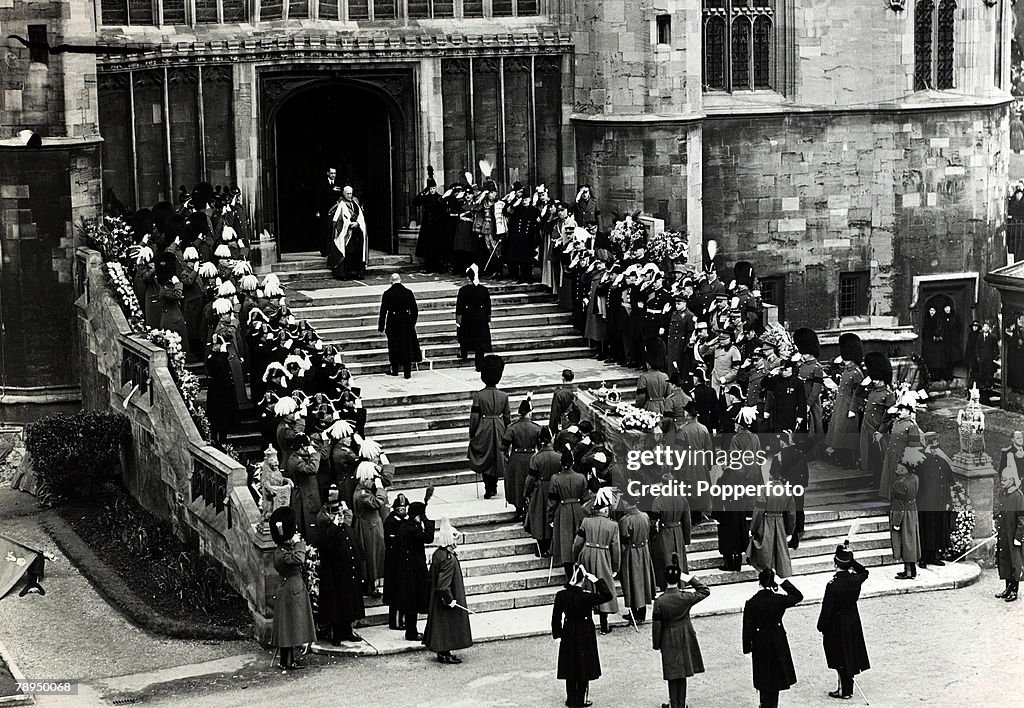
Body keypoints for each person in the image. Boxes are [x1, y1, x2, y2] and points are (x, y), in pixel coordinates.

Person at [551, 564, 614, 708]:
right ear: (583, 580)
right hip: (585, 632)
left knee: (570, 664)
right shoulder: (586, 596)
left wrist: (558, 634)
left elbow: (556, 616)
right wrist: (595, 580)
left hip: (568, 631)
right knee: (584, 665)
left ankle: (571, 698)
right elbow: (607, 595)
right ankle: (580, 699)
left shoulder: (561, 595)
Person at [652, 555, 710, 708]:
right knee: (683, 671)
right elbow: (704, 590)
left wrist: (657, 644)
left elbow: (657, 625)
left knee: (672, 673)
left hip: (668, 636)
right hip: (685, 634)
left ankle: (674, 703)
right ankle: (681, 704)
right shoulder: (685, 597)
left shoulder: (660, 601)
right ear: (678, 580)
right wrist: (690, 578)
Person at [743, 569, 802, 708]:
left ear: (759, 582)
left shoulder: (752, 602)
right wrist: (782, 582)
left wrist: (747, 647)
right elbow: (798, 596)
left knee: (762, 673)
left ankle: (763, 703)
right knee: (775, 675)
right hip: (777, 639)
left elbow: (747, 628)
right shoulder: (779, 600)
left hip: (760, 640)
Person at [817, 544, 870, 700]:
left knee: (840, 655)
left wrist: (821, 626)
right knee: (849, 652)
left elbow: (827, 609)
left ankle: (844, 690)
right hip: (852, 620)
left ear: (835, 563)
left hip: (837, 623)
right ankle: (846, 689)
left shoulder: (833, 585)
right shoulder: (855, 579)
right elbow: (865, 571)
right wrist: (850, 559)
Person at [314, 489, 364, 645]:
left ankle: (347, 631)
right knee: (337, 606)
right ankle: (336, 634)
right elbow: (324, 546)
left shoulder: (346, 528)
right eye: (336, 513)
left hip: (349, 573)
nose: (340, 516)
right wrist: (335, 525)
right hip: (335, 575)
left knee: (349, 604)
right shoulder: (327, 530)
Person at [268, 507, 316, 671]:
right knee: (289, 626)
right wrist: (298, 542)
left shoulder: (283, 550)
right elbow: (299, 558)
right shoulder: (282, 553)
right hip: (291, 590)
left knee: (290, 626)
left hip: (293, 588)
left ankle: (288, 660)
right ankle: (287, 662)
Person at [424, 517, 473, 664]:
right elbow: (444, 584)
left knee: (442, 624)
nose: (456, 544)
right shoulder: (448, 558)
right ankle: (444, 652)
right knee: (446, 624)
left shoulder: (438, 554)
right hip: (446, 596)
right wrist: (449, 599)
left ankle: (443, 651)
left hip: (437, 596)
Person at [573, 489, 621, 635]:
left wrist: (576, 557)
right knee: (603, 587)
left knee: (586, 587)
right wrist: (615, 567)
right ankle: (604, 625)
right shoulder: (613, 525)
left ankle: (586, 623)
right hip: (604, 556)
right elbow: (616, 549)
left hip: (587, 553)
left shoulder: (586, 521)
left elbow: (577, 543)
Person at [468, 354, 512, 499]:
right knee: (497, 457)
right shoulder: (504, 396)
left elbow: (475, 417)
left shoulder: (478, 396)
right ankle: (493, 486)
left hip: (484, 427)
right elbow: (507, 417)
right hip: (499, 427)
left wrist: (472, 433)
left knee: (485, 457)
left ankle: (489, 487)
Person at [746, 456, 797, 577]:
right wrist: (790, 530)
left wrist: (752, 529)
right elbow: (791, 514)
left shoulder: (765, 490)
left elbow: (758, 511)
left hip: (766, 521)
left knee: (765, 552)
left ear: (770, 476)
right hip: (780, 522)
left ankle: (767, 575)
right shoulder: (787, 491)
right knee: (780, 551)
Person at [397, 499, 436, 640]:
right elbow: (428, 538)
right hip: (413, 571)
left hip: (409, 569)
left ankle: (411, 630)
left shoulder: (405, 526)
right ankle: (411, 632)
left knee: (411, 602)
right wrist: (427, 522)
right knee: (412, 602)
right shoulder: (411, 529)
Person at [825, 333, 864, 469]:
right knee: (840, 433)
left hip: (849, 407)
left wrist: (853, 409)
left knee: (849, 435)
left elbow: (858, 393)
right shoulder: (847, 370)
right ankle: (842, 458)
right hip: (841, 406)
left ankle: (850, 461)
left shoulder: (856, 373)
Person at [857, 353, 895, 485]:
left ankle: (881, 481)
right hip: (868, 427)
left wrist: (881, 431)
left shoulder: (888, 395)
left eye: (876, 378)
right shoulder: (872, 390)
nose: (873, 380)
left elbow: (889, 416)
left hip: (878, 430)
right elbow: (858, 395)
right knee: (872, 456)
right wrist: (862, 384)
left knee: (880, 457)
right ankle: (875, 477)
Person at [618, 494, 656, 626]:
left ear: (627, 503)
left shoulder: (625, 519)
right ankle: (642, 612)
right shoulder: (645, 516)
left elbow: (623, 538)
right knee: (643, 579)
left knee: (631, 580)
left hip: (631, 551)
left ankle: (634, 612)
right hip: (644, 550)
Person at [502, 395, 542, 519]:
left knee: (517, 484)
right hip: (531, 458)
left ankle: (519, 509)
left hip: (516, 459)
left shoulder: (512, 428)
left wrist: (508, 458)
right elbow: (541, 447)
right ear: (529, 413)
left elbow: (503, 446)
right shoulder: (537, 428)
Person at [917, 432, 954, 567]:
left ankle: (933, 556)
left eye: (935, 446)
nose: (933, 449)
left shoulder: (941, 461)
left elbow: (948, 482)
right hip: (925, 502)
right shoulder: (920, 461)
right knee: (925, 529)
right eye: (931, 446)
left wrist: (948, 501)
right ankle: (923, 557)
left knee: (937, 528)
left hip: (939, 502)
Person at [650, 473, 693, 588]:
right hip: (678, 532)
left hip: (665, 532)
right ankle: (681, 582)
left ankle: (666, 583)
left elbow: (653, 523)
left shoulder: (658, 501)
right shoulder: (682, 499)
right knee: (679, 559)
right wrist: (686, 538)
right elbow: (687, 521)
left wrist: (653, 537)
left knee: (666, 559)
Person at [352, 462, 387, 597]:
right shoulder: (363, 494)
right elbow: (378, 502)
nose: (372, 482)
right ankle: (370, 585)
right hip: (369, 528)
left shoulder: (361, 490)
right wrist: (380, 489)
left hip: (369, 526)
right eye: (371, 479)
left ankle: (371, 584)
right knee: (371, 556)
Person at [879, 394, 924, 499]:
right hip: (891, 455)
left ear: (908, 411)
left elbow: (914, 448)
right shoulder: (896, 422)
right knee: (889, 479)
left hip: (901, 458)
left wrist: (909, 464)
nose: (899, 412)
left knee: (898, 482)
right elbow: (884, 422)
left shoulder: (911, 426)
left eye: (902, 410)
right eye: (899, 409)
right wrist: (890, 411)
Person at [524, 427, 560, 556]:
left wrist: (526, 493)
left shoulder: (536, 457)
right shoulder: (558, 456)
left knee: (539, 517)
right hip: (555, 488)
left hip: (540, 490)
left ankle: (542, 547)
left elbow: (531, 478)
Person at [378, 273, 421, 379]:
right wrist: (412, 323)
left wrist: (381, 326)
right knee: (407, 346)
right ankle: (407, 372)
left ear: (391, 281)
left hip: (392, 321)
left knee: (393, 346)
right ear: (400, 280)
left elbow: (383, 311)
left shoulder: (387, 293)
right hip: (405, 322)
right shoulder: (408, 292)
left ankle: (395, 369)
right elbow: (414, 310)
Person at [995, 467, 1024, 603]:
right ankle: (1007, 587)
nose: (1002, 482)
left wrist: (1018, 537)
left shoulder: (1018, 496)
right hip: (1004, 533)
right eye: (1001, 479)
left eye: (1005, 479)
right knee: (1005, 560)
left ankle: (1014, 590)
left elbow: (1022, 519)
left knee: (1014, 562)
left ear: (1012, 480)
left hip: (1013, 535)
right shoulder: (1002, 493)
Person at [456, 265, 492, 371]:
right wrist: (488, 318)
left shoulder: (463, 290)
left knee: (464, 336)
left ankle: (464, 354)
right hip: (481, 317)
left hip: (468, 316)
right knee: (479, 343)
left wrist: (458, 320)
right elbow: (488, 306)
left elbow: (460, 306)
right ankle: (479, 365)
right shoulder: (483, 290)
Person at [205, 333, 239, 447]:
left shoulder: (219, 356)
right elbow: (218, 365)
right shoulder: (212, 357)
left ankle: (223, 441)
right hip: (217, 394)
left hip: (224, 393)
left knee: (224, 420)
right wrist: (224, 353)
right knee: (216, 420)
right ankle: (216, 441)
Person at [328, 185, 368, 280]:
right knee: (347, 253)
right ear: (344, 194)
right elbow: (337, 219)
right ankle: (344, 274)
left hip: (355, 234)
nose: (350, 195)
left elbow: (361, 217)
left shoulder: (355, 203)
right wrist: (348, 224)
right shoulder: (340, 204)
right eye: (347, 193)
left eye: (351, 193)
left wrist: (357, 223)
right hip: (345, 234)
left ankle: (357, 273)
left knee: (357, 252)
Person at [383, 493, 410, 631]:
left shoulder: (401, 521)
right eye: (400, 509)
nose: (403, 511)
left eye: (404, 508)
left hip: (400, 562)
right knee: (396, 593)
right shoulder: (392, 522)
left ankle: (401, 619)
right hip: (394, 562)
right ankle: (396, 621)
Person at [794, 328, 825, 446]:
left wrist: (808, 404)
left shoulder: (817, 368)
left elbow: (816, 389)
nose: (803, 355)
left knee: (813, 426)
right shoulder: (801, 365)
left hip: (810, 402)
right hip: (800, 399)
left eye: (805, 353)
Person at [413, 168, 447, 273]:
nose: (432, 190)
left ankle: (438, 266)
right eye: (430, 188)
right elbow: (415, 202)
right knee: (429, 247)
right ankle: (429, 266)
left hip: (437, 226)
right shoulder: (426, 198)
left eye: (433, 188)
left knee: (437, 246)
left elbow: (443, 211)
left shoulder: (439, 198)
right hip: (428, 226)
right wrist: (423, 193)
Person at [315, 167, 342, 257]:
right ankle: (324, 251)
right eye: (331, 173)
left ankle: (333, 251)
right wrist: (318, 211)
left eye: (334, 173)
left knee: (334, 230)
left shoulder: (338, 183)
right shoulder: (322, 184)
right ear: (327, 173)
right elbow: (318, 198)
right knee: (324, 230)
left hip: (335, 211)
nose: (333, 175)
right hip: (324, 211)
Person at [549, 369, 577, 434]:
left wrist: (552, 428)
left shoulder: (559, 394)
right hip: (576, 422)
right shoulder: (577, 390)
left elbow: (555, 412)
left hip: (564, 422)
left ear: (562, 378)